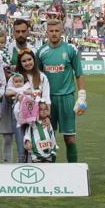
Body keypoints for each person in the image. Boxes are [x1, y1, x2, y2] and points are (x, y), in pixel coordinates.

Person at [37, 19, 86, 163]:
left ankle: (74, 169)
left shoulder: (71, 50)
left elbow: (78, 73)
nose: (54, 34)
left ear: (62, 32)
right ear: (47, 33)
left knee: (69, 138)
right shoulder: (41, 52)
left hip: (67, 98)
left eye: (56, 31)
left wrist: (82, 95)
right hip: (47, 101)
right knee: (46, 137)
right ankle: (50, 169)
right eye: (51, 31)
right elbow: (37, 76)